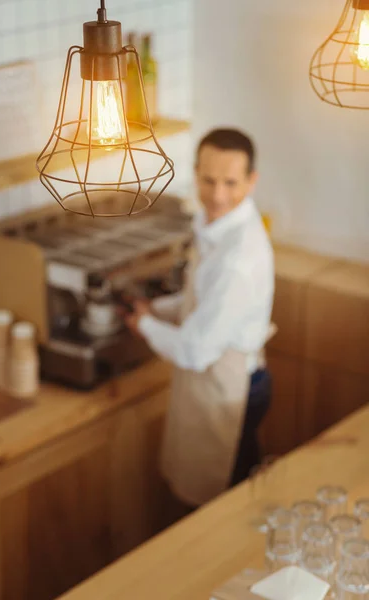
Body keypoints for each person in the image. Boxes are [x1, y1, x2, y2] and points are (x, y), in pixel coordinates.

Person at [124, 128, 275, 508]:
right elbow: (202, 300)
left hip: (233, 386)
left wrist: (144, 325)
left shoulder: (237, 257)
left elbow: (195, 351)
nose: (217, 195)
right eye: (208, 181)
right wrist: (157, 310)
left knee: (225, 509)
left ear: (251, 181)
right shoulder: (218, 227)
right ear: (196, 173)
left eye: (230, 183)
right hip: (227, 377)